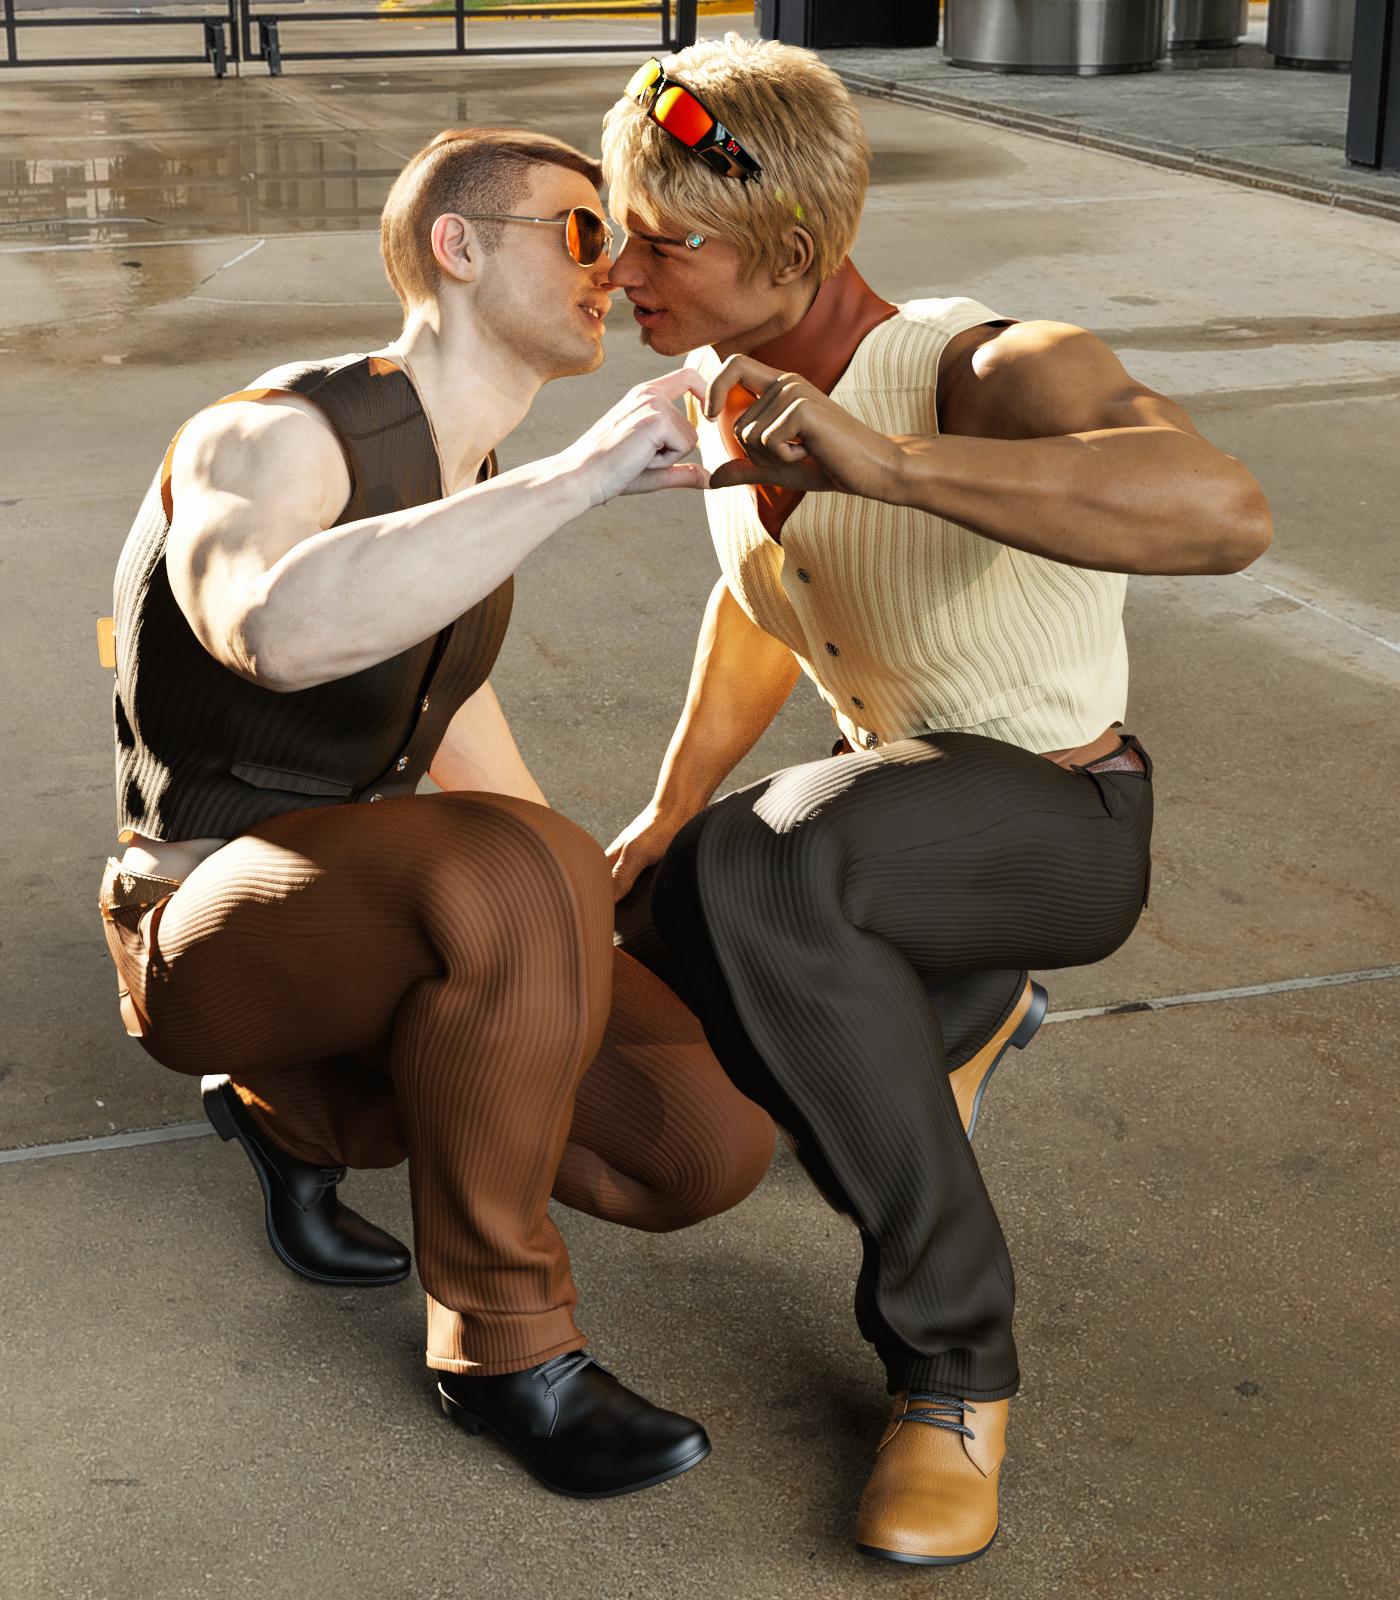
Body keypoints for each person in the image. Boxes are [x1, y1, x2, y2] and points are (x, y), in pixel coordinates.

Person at [598, 35, 1273, 1562]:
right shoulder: (723, 389)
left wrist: (893, 466)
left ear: (792, 245)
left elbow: (1224, 512)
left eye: (664, 240)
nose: (625, 272)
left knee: (755, 869)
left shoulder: (986, 366)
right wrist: (662, 809)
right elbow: (762, 607)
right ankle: (949, 1019)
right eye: (616, 232)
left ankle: (954, 1367)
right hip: (898, 833)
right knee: (673, 918)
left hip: (1063, 827)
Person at [96, 126, 776, 1500]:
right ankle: (503, 1353)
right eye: (580, 233)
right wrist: (578, 475)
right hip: (196, 926)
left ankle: (296, 1117)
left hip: (363, 911)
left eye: (620, 243)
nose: (614, 268)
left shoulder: (470, 476)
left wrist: (590, 918)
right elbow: (272, 630)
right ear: (457, 248)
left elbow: (447, 714)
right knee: (521, 875)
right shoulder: (272, 435)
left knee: (702, 1148)